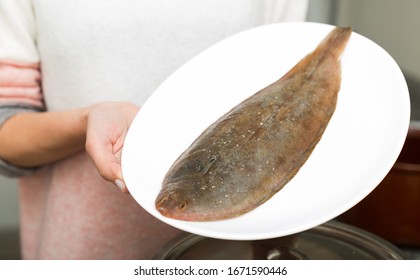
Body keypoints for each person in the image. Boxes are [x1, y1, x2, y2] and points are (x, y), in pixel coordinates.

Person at [0, 0, 308, 259]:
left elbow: (288, 88)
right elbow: (6, 129)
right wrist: (86, 121)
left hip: (238, 251)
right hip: (84, 252)